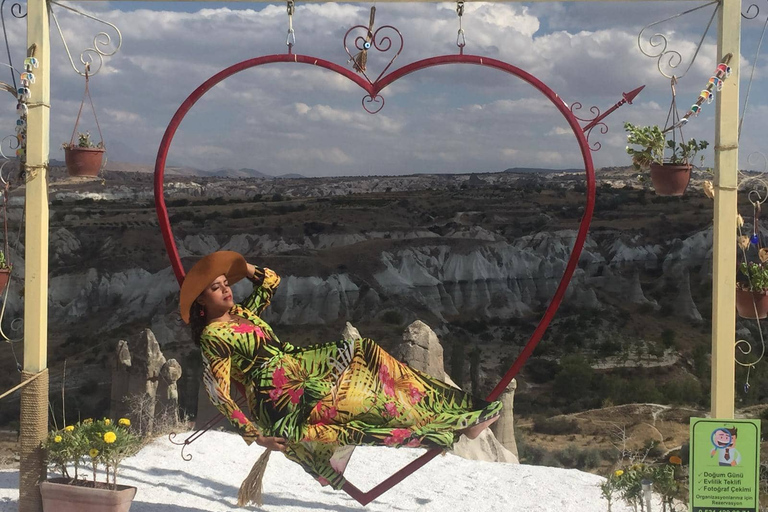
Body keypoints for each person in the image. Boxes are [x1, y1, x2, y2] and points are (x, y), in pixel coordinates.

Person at [180, 251, 502, 493]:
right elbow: (218, 391)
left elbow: (270, 281)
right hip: (279, 397)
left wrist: (240, 267)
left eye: (225, 284)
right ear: (200, 303)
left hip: (298, 369)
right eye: (215, 288)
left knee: (366, 352)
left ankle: (463, 415)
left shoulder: (241, 312)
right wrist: (255, 435)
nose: (226, 290)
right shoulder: (213, 336)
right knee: (360, 413)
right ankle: (446, 430)